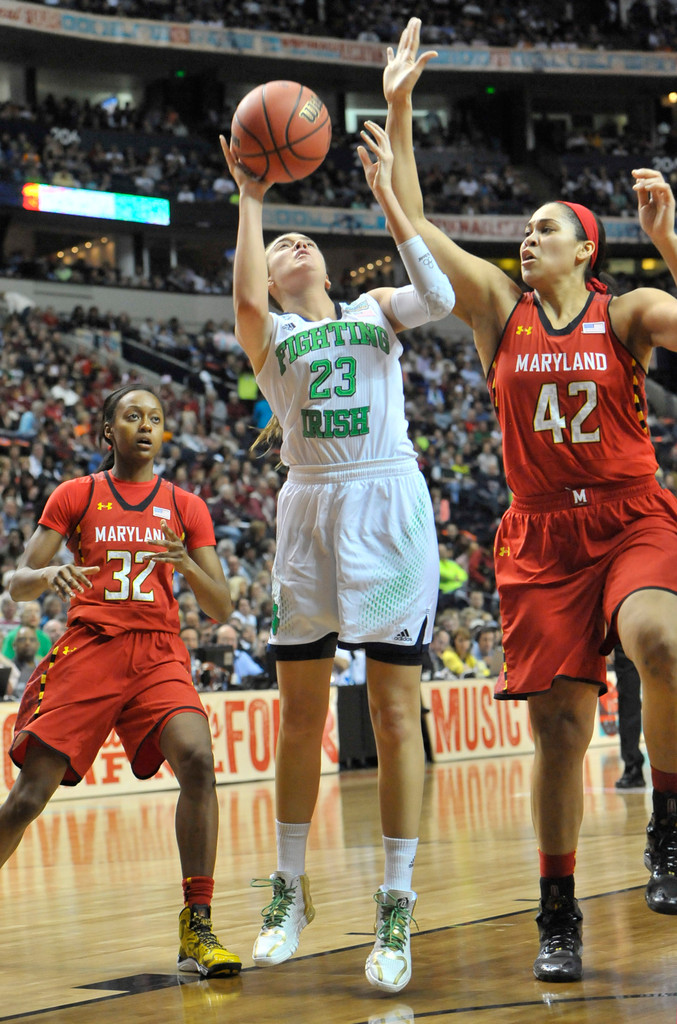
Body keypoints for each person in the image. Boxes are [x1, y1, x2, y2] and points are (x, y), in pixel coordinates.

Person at [384, 17, 677, 985]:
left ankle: (665, 829)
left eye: (545, 225)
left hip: (630, 512)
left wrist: (670, 244)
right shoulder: (495, 312)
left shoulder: (625, 311)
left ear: (585, 251)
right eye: (525, 226)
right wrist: (397, 108)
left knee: (662, 643)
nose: (526, 233)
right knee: (554, 729)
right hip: (539, 530)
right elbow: (422, 228)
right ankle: (557, 909)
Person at [219, 114, 455, 994]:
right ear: (276, 281)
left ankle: (396, 899)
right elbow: (243, 302)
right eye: (279, 245)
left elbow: (434, 296)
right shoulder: (272, 337)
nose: (294, 242)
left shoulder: (372, 311)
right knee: (300, 718)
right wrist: (250, 200)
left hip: (386, 507)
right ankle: (288, 888)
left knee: (395, 717)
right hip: (310, 515)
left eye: (302, 236)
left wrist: (390, 199)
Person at [0, 384, 241, 979]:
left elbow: (222, 609)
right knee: (30, 797)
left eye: (155, 418)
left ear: (163, 434)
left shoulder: (187, 506)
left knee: (199, 762)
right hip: (90, 651)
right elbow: (16, 583)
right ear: (108, 431)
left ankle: (198, 924)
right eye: (132, 416)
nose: (145, 425)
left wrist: (187, 564)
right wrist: (51, 570)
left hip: (159, 653)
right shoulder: (75, 494)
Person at [613, 643, 645, 789]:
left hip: (625, 631)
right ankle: (632, 766)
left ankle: (633, 767)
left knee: (629, 698)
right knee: (629, 697)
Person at [6, 625, 40, 701]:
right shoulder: (7, 670)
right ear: (14, 645)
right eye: (22, 640)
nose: (27, 643)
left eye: (32, 640)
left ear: (38, 645)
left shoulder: (44, 668)